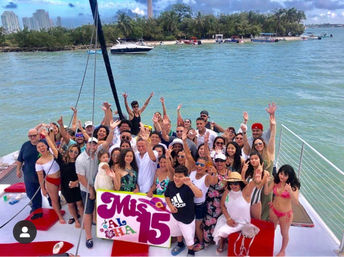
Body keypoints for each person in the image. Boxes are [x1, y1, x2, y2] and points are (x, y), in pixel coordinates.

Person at [75, 120, 118, 249]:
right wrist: (91, 191)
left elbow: (107, 142)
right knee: (88, 212)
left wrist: (111, 130)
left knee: (103, 210)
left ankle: (106, 232)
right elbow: (81, 178)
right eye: (90, 144)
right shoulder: (80, 159)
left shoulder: (98, 151)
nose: (93, 147)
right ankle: (88, 236)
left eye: (94, 144)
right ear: (86, 145)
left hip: (101, 186)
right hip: (87, 188)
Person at [212, 171, 262, 253]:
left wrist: (256, 179)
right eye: (231, 183)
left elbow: (252, 184)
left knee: (221, 231)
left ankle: (223, 241)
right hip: (227, 218)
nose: (233, 186)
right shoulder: (227, 192)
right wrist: (228, 219)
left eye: (235, 183)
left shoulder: (245, 193)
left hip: (241, 222)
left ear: (240, 183)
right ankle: (222, 243)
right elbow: (222, 206)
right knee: (220, 228)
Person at [44, 130, 84, 228]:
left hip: (76, 185)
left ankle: (83, 221)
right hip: (66, 186)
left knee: (79, 203)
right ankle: (76, 220)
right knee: (70, 204)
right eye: (71, 151)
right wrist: (46, 136)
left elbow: (84, 176)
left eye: (76, 152)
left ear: (78, 153)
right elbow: (53, 148)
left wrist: (77, 182)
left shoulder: (80, 162)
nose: (73, 153)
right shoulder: (62, 160)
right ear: (68, 150)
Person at [165, 165, 203, 256]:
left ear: (185, 177)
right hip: (175, 215)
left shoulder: (188, 186)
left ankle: (190, 251)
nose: (177, 178)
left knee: (189, 236)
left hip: (187, 218)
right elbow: (167, 196)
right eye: (176, 176)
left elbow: (199, 195)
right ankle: (180, 244)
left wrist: (190, 184)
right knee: (178, 231)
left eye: (180, 176)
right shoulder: (170, 184)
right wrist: (170, 206)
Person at [264, 165, 300, 256]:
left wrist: (290, 191)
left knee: (284, 233)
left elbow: (296, 202)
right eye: (281, 173)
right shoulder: (276, 181)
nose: (282, 176)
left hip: (285, 214)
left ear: (289, 176)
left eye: (285, 175)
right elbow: (267, 192)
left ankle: (282, 251)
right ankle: (269, 245)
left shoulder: (293, 186)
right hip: (274, 209)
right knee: (271, 229)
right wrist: (265, 182)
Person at [190, 158, 218, 252]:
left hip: (199, 205)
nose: (198, 166)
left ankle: (201, 243)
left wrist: (214, 173)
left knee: (197, 225)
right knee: (190, 224)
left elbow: (214, 182)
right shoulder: (192, 172)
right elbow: (189, 156)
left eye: (202, 165)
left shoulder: (207, 177)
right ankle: (193, 239)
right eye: (197, 164)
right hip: (190, 203)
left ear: (206, 167)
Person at [35, 138, 65, 224]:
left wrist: (47, 135)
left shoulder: (53, 152)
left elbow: (52, 142)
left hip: (62, 178)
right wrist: (43, 189)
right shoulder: (38, 162)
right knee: (54, 199)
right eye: (39, 147)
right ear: (37, 149)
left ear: (46, 146)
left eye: (42, 146)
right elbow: (40, 177)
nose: (41, 148)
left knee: (68, 195)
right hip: (51, 181)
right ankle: (59, 216)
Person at [203, 153, 228, 246]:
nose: (219, 163)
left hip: (222, 203)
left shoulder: (228, 173)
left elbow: (222, 186)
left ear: (225, 162)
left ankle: (217, 241)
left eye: (221, 161)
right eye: (217, 160)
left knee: (219, 223)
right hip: (210, 202)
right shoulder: (210, 171)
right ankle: (207, 241)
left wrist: (216, 173)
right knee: (208, 222)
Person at [16, 128, 42, 217]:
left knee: (50, 193)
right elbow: (20, 159)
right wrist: (18, 170)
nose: (32, 137)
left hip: (43, 173)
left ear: (38, 135)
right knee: (30, 192)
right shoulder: (25, 145)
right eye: (30, 136)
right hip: (29, 173)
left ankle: (54, 204)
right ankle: (37, 209)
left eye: (34, 135)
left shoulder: (44, 143)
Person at [241, 151, 270, 219]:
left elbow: (259, 186)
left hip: (255, 202)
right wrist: (243, 171)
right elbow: (245, 184)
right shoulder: (249, 171)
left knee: (256, 223)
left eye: (256, 158)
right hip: (245, 200)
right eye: (251, 159)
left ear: (260, 159)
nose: (253, 160)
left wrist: (260, 174)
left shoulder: (265, 173)